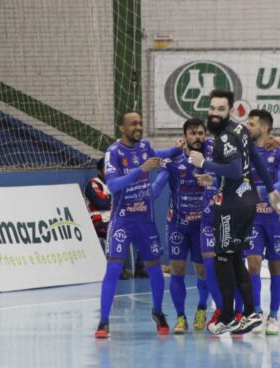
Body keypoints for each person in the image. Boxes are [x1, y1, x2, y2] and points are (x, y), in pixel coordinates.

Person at [188, 90, 280, 335]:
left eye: (221, 109)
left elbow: (233, 170)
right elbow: (257, 160)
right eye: (212, 108)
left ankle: (228, 317)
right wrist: (271, 190)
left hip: (231, 206)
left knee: (223, 260)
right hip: (247, 203)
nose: (215, 113)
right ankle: (251, 313)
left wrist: (203, 163)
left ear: (230, 111)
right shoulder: (241, 130)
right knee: (233, 258)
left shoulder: (225, 138)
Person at [94, 111, 183, 338]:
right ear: (122, 128)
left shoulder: (145, 147)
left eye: (140, 123)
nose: (139, 127)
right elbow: (113, 185)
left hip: (145, 220)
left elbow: (159, 155)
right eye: (133, 124)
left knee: (155, 269)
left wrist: (176, 149)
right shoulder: (113, 152)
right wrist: (141, 169)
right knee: (113, 268)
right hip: (123, 219)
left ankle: (158, 312)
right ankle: (103, 322)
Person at [151, 118, 210, 334]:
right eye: (193, 133)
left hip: (202, 225)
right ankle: (180, 317)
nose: (197, 137)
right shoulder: (174, 160)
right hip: (177, 225)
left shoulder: (211, 159)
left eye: (201, 133)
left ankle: (202, 308)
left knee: (203, 270)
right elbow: (158, 183)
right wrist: (147, 195)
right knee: (177, 270)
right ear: (184, 137)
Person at [245, 109, 280, 335]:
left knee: (276, 266)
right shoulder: (245, 151)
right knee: (253, 263)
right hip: (252, 217)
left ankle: (273, 316)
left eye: (252, 124)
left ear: (264, 128)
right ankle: (256, 313)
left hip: (275, 218)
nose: (247, 127)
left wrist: (260, 192)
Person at [85, 157, 111, 248]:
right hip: (99, 223)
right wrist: (117, 199)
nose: (110, 171)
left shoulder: (116, 183)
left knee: (140, 229)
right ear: (99, 171)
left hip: (115, 220)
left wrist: (110, 198)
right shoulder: (94, 183)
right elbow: (101, 204)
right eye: (106, 168)